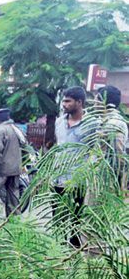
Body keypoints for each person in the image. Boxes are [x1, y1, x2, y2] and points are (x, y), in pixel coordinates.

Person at [54, 86, 89, 246]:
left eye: (68, 101)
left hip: (77, 181)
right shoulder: (59, 122)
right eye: (63, 100)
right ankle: (58, 252)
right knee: (57, 220)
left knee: (76, 219)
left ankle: (74, 253)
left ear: (79, 102)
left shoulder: (91, 124)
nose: (64, 104)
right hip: (57, 180)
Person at [0, 109, 25, 216]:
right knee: (14, 196)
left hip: (2, 169)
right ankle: (14, 221)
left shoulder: (0, 130)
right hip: (15, 169)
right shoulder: (17, 129)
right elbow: (25, 147)